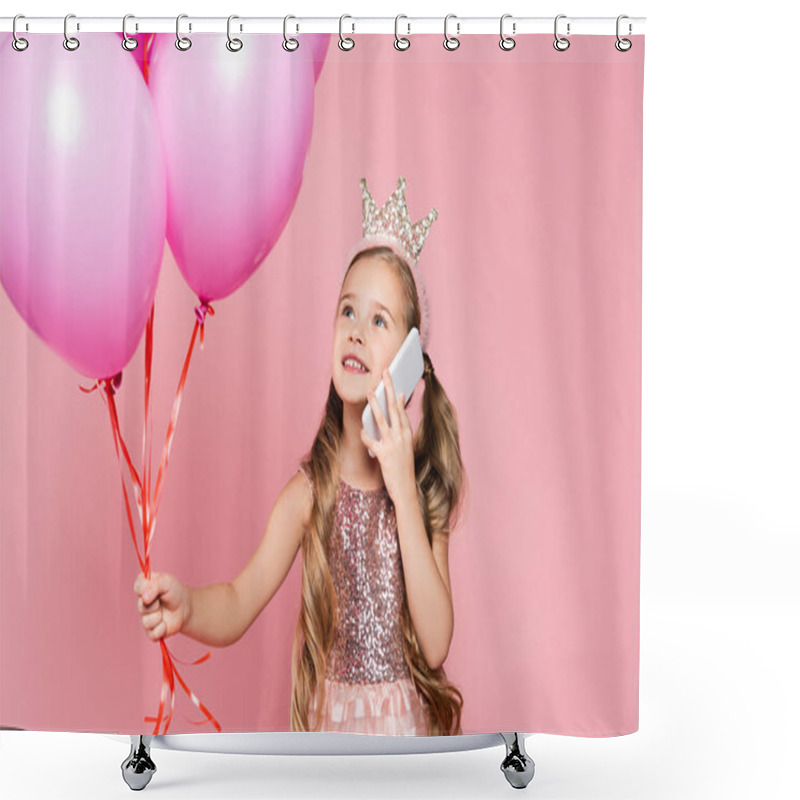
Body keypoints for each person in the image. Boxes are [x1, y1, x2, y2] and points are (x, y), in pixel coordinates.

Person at [134, 176, 466, 735]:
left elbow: (434, 644)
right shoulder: (310, 495)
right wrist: (187, 607)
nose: (356, 333)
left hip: (402, 737)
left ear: (412, 358)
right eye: (347, 312)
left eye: (379, 320)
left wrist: (402, 486)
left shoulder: (422, 490)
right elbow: (240, 598)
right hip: (330, 733)